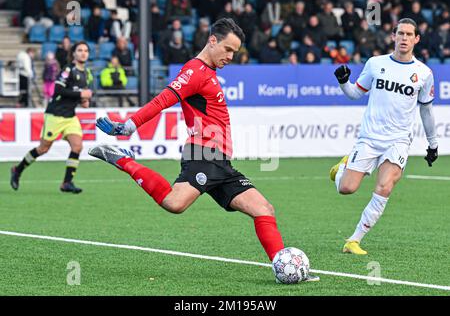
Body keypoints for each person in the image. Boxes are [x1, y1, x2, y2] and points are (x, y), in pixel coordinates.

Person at [88, 18, 318, 281]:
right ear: (212, 41)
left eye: (235, 52)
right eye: (228, 49)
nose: (231, 56)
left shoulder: (208, 73)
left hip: (221, 162)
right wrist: (130, 125)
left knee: (264, 209)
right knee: (175, 203)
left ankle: (283, 270)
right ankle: (124, 161)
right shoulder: (195, 71)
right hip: (203, 155)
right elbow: (163, 99)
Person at [330, 18, 438, 255]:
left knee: (385, 186)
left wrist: (433, 144)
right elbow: (355, 94)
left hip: (398, 140)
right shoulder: (375, 63)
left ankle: (353, 240)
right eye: (400, 33)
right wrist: (342, 82)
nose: (404, 38)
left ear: (417, 39)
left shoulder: (424, 73)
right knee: (347, 188)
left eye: (410, 34)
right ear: (393, 36)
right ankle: (340, 170)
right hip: (369, 138)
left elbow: (426, 110)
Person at [10, 42, 93, 194]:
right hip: (55, 114)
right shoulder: (68, 70)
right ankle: (17, 169)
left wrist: (84, 101)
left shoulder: (87, 74)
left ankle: (66, 183)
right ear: (73, 54)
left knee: (77, 146)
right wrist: (81, 95)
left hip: (70, 117)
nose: (83, 53)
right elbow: (58, 89)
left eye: (86, 50)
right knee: (43, 149)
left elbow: (80, 95)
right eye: (80, 50)